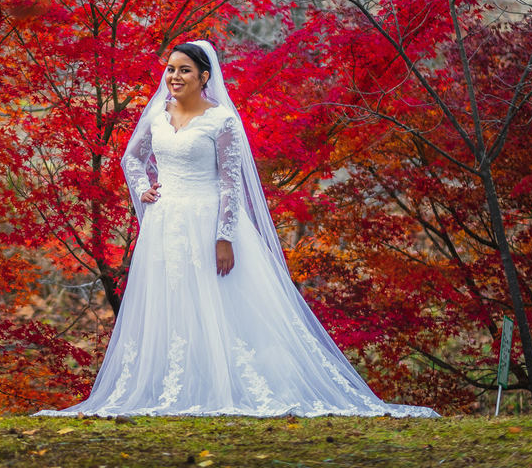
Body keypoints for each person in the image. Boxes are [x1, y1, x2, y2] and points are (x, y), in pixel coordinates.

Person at [37, 41, 437, 418]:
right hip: (166, 222)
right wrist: (144, 191)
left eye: (184, 71)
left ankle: (227, 384)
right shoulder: (158, 114)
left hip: (210, 219)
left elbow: (231, 182)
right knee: (172, 299)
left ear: (204, 76)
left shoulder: (221, 119)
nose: (174, 77)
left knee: (220, 302)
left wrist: (224, 237)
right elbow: (131, 158)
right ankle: (178, 386)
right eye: (170, 70)